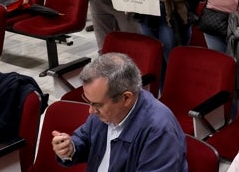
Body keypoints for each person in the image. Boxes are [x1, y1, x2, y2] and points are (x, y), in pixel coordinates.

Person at [51, 53, 187, 172]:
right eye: (88, 101)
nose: (91, 110)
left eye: (97, 104)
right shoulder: (104, 112)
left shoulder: (159, 130)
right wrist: (70, 148)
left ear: (126, 98)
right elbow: (83, 139)